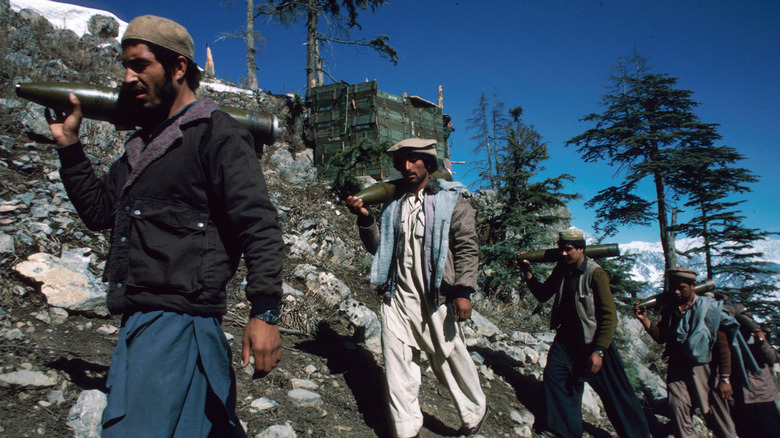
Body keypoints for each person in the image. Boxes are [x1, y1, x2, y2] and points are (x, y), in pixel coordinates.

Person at [45, 15, 284, 437]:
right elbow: (100, 212)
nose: (128, 76)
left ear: (177, 68)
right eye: (126, 66)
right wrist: (70, 147)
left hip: (181, 325)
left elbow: (258, 223)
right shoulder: (143, 143)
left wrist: (264, 312)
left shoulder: (217, 134)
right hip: (139, 321)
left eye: (140, 65)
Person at [344, 138, 487, 438]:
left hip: (436, 297)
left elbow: (467, 249)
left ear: (429, 164)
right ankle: (406, 428)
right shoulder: (393, 204)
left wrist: (463, 291)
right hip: (397, 296)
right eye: (402, 162)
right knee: (398, 365)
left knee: (448, 357)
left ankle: (474, 411)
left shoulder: (452, 202)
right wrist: (366, 219)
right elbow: (379, 249)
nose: (407, 167)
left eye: (414, 160)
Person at [517, 228, 650, 438]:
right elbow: (543, 295)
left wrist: (599, 351)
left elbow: (609, 317)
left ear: (581, 249)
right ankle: (565, 432)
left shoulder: (596, 274)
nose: (563, 253)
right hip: (566, 340)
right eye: (561, 249)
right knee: (556, 377)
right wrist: (527, 273)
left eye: (568, 249)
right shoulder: (562, 269)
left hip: (594, 342)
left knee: (616, 394)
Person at [634, 268, 758, 438]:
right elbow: (662, 337)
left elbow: (722, 348)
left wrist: (725, 378)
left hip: (705, 371)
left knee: (718, 417)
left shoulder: (709, 310)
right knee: (678, 409)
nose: (676, 292)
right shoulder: (671, 310)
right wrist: (645, 321)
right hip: (677, 370)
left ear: (693, 286)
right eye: (673, 288)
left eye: (682, 288)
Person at [724, 306, 780, 438]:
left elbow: (771, 359)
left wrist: (762, 343)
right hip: (742, 397)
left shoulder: (756, 337)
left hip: (762, 396)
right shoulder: (728, 337)